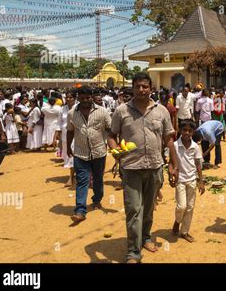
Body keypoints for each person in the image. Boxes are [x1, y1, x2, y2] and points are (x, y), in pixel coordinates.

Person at [108, 73, 178, 263]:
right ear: (132, 88)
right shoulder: (121, 111)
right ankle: (133, 251)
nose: (141, 90)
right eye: (137, 86)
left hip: (155, 166)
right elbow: (111, 135)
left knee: (148, 208)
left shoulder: (161, 111)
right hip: (131, 168)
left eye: (145, 87)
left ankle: (146, 237)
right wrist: (115, 151)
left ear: (151, 89)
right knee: (133, 209)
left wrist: (173, 164)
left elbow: (169, 139)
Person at [66, 86, 111, 223]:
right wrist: (68, 146)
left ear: (92, 97)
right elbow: (70, 131)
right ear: (78, 98)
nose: (85, 100)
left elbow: (110, 130)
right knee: (82, 181)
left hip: (99, 152)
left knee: (98, 179)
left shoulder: (103, 112)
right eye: (82, 98)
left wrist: (114, 146)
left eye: (87, 98)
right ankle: (80, 210)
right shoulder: (72, 113)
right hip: (80, 153)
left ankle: (97, 199)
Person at [170, 119, 205, 243]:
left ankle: (184, 231)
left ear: (193, 132)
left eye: (190, 131)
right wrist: (171, 173)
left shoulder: (195, 146)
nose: (187, 133)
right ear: (180, 130)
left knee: (190, 207)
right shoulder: (174, 145)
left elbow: (198, 164)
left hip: (191, 180)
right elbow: (170, 162)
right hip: (180, 180)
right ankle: (177, 221)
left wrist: (201, 181)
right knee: (182, 206)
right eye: (184, 130)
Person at [55, 91, 76, 188]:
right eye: (67, 97)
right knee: (68, 156)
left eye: (70, 97)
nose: (68, 99)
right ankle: (73, 175)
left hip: (77, 135)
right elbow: (59, 123)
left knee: (74, 155)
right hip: (65, 136)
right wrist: (57, 135)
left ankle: (71, 177)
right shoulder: (62, 109)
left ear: (74, 98)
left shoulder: (78, 108)